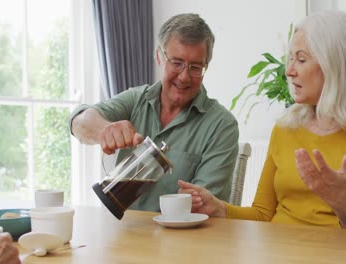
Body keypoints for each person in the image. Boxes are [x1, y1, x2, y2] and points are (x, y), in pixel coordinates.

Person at [178, 11, 346, 232]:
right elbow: (263, 214)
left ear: (335, 64)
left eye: (301, 59)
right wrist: (220, 209)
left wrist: (343, 205)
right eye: (290, 59)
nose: (289, 71)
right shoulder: (285, 128)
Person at [70, 13, 239, 212]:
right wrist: (105, 130)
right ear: (159, 56)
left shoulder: (221, 125)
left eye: (195, 67)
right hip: (121, 232)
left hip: (182, 239)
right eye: (177, 63)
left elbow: (206, 209)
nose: (184, 77)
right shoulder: (135, 100)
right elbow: (78, 122)